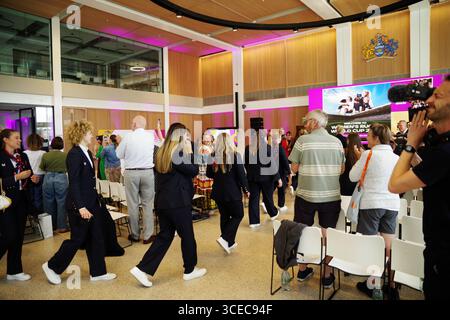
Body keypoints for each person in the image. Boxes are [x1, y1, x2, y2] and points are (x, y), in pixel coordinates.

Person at [389, 74, 450, 300]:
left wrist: (411, 143)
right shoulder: (441, 147)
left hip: (443, 253)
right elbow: (429, 173)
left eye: (438, 95)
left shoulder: (444, 153)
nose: (429, 100)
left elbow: (395, 184)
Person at [130, 123, 206, 287]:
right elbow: (193, 170)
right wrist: (190, 151)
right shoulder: (178, 153)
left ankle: (142, 269)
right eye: (186, 135)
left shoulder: (161, 152)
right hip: (178, 202)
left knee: (165, 237)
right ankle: (190, 270)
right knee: (187, 236)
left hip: (164, 202)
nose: (188, 138)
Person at [42, 120, 116, 285]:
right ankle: (52, 266)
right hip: (79, 205)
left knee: (96, 237)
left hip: (91, 203)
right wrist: (81, 206)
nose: (91, 135)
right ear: (82, 134)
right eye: (89, 132)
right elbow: (74, 182)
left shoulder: (87, 153)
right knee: (77, 239)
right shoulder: (74, 154)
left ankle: (98, 273)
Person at [288, 110, 345, 289]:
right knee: (327, 233)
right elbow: (342, 169)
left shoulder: (302, 141)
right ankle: (327, 275)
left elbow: (294, 168)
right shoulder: (337, 142)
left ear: (314, 123)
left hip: (306, 194)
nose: (305, 124)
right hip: (331, 196)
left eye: (307, 121)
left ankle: (303, 269)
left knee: (303, 230)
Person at [349, 124, 400, 298]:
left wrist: (359, 159)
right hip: (392, 203)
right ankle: (391, 285)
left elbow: (352, 177)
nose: (367, 139)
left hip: (371, 204)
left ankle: (373, 284)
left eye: (369, 136)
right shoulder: (396, 157)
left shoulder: (368, 154)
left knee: (372, 246)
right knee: (388, 246)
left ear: (376, 138)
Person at [206, 133, 249, 254]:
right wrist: (247, 190)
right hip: (232, 193)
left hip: (218, 192)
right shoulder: (235, 156)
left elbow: (209, 174)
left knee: (224, 216)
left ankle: (228, 243)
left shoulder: (212, 156)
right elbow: (241, 175)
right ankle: (225, 238)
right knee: (238, 215)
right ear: (230, 142)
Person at [0, 129, 34, 281]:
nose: (20, 140)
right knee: (9, 236)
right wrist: (17, 177)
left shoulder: (23, 156)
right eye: (16, 138)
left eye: (20, 138)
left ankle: (14, 271)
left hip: (22, 200)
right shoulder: (0, 156)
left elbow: (29, 172)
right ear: (6, 140)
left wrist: (33, 178)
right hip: (6, 202)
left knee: (19, 237)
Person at [116, 116, 156, 244]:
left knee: (132, 204)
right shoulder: (150, 136)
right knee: (148, 204)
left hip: (131, 173)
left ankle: (134, 234)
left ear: (134, 124)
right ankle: (148, 235)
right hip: (148, 172)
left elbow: (118, 154)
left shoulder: (128, 136)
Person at [245, 129, 282, 228]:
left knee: (253, 199)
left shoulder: (248, 148)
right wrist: (278, 178)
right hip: (266, 178)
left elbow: (245, 164)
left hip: (252, 178)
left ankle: (254, 222)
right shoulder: (267, 148)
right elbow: (272, 164)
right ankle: (273, 214)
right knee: (267, 197)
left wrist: (250, 173)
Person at [40, 137, 69, 233]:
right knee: (62, 202)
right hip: (61, 177)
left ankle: (50, 227)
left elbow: (42, 167)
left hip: (48, 178)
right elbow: (68, 167)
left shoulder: (46, 155)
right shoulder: (65, 155)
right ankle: (62, 227)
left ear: (51, 144)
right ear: (62, 144)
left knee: (48, 202)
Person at [24, 133, 46, 214]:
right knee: (39, 198)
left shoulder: (24, 153)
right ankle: (39, 216)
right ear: (40, 142)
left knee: (30, 197)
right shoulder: (43, 153)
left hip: (28, 176)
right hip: (41, 176)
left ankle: (32, 215)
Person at [269, 130, 290, 213]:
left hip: (271, 172)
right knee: (281, 189)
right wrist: (289, 171)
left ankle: (265, 203)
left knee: (271, 189)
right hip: (280, 172)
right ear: (278, 139)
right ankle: (281, 205)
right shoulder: (280, 148)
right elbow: (285, 161)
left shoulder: (269, 147)